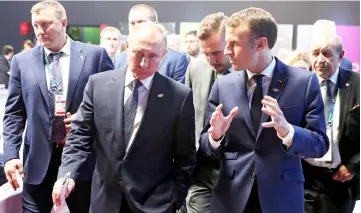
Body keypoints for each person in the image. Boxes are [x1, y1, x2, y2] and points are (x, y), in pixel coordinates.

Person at [52, 22, 196, 213]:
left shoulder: (178, 96)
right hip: (105, 201)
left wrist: (174, 200)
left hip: (154, 204)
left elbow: (185, 158)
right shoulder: (98, 85)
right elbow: (79, 137)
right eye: (138, 53)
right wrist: (66, 174)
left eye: (152, 56)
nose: (144, 62)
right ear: (127, 46)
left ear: (164, 55)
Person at [199, 7, 329, 213]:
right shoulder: (222, 85)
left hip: (282, 197)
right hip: (231, 197)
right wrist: (215, 137)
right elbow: (205, 145)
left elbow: (320, 144)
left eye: (233, 43)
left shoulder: (303, 82)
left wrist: (289, 132)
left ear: (260, 44)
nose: (226, 51)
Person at [2, 1, 113, 212]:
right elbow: (14, 114)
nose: (40, 31)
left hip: (83, 162)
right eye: (35, 25)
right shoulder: (21, 62)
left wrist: (84, 118)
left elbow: (111, 106)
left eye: (46, 24)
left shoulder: (94, 56)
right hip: (37, 163)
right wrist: (10, 155)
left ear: (63, 23)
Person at [303, 30, 360, 213]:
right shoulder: (300, 83)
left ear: (341, 56)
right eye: (315, 53)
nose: (320, 59)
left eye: (326, 53)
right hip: (305, 178)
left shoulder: (357, 84)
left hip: (340, 181)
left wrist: (354, 165)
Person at [185, 12, 232, 213]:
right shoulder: (195, 69)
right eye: (206, 53)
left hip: (235, 172)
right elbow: (186, 116)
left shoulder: (249, 74)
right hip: (200, 171)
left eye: (217, 52)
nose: (211, 60)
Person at [114, 4, 189, 83]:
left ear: (155, 24)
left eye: (141, 22)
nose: (136, 27)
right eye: (132, 23)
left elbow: (178, 93)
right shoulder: (117, 61)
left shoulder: (175, 60)